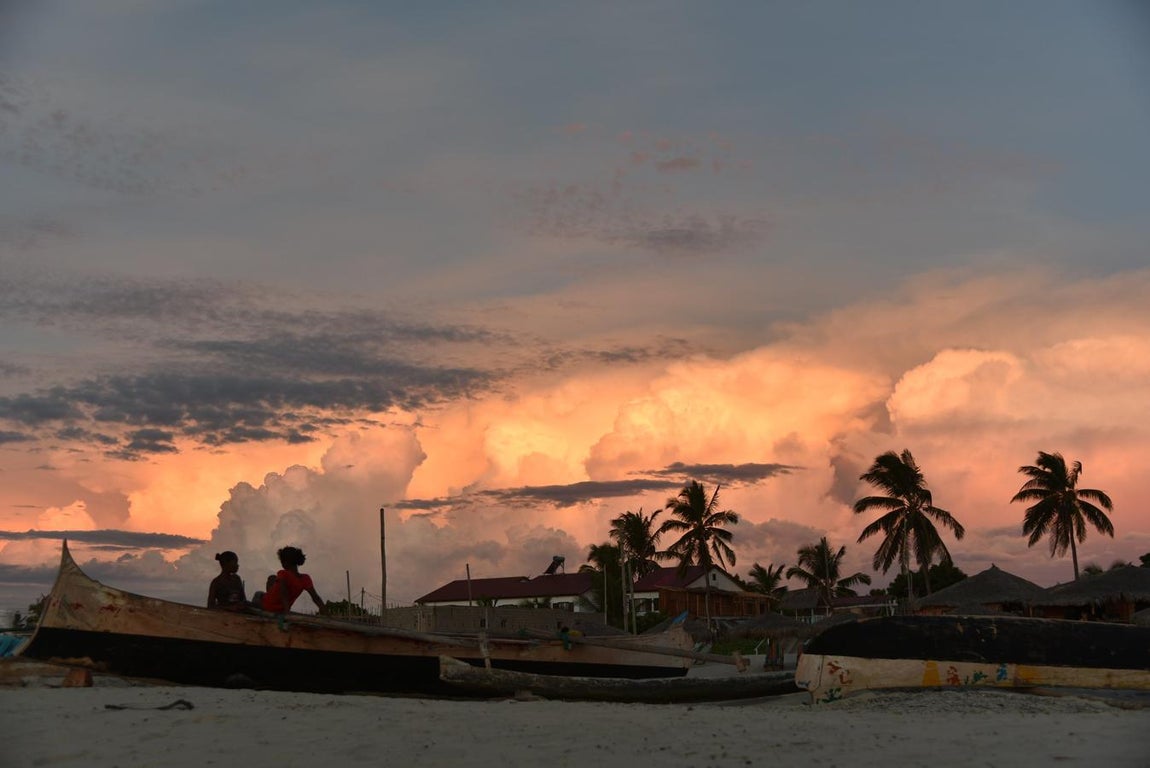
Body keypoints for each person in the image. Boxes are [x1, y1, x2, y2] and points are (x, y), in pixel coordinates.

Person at [261, 546, 326, 616]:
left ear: (285, 563)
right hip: (281, 609)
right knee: (272, 578)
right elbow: (316, 598)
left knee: (259, 594)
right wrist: (325, 613)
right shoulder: (305, 579)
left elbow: (284, 594)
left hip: (267, 606)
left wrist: (287, 613)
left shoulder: (283, 574)